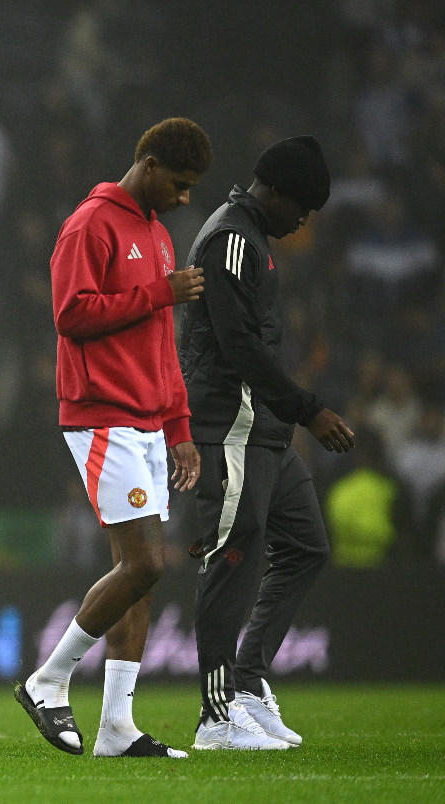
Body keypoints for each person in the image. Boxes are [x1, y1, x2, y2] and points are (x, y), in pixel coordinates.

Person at [13, 118, 211, 759]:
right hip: (103, 415)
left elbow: (161, 343)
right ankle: (48, 679)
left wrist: (178, 425)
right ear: (149, 165)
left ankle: (116, 728)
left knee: (145, 578)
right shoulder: (91, 224)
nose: (185, 200)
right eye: (179, 185)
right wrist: (159, 292)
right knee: (145, 562)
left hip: (149, 419)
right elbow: (70, 315)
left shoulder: (156, 234)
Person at [178, 136, 355, 751]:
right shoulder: (232, 237)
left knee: (305, 545)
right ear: (272, 190)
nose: (303, 220)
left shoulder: (254, 238)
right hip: (228, 423)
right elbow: (238, 344)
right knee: (233, 552)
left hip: (263, 428)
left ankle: (247, 686)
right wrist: (310, 409)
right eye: (300, 206)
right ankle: (215, 715)